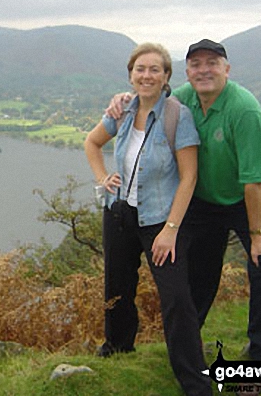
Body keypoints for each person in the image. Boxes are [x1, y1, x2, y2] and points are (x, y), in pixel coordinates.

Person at [106, 40, 261, 384]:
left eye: (212, 63)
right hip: (202, 202)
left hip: (243, 196)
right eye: (196, 64)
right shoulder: (184, 98)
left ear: (226, 69)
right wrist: (120, 99)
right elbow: (148, 92)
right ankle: (189, 347)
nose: (204, 70)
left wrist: (258, 234)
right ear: (186, 72)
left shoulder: (244, 109)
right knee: (199, 275)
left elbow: (254, 181)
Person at [85, 42, 212, 396]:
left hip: (161, 219)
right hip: (121, 211)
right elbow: (92, 143)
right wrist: (102, 180)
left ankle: (195, 380)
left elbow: (188, 177)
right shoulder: (122, 109)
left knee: (175, 298)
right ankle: (118, 347)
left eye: (154, 69)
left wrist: (171, 230)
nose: (146, 75)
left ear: (166, 76)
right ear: (130, 74)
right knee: (118, 285)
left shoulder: (176, 116)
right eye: (140, 69)